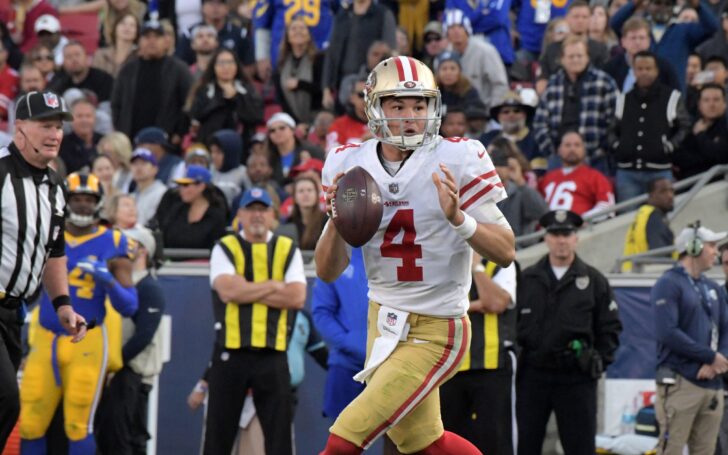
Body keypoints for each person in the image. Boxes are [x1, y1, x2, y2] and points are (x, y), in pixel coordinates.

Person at [315, 56, 515, 454]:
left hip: (437, 327)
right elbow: (327, 270)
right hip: (383, 324)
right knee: (424, 443)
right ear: (374, 108)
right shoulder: (347, 163)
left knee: (345, 436)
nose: (411, 116)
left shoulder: (459, 158)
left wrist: (459, 219)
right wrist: (338, 219)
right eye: (398, 105)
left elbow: (506, 250)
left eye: (419, 105)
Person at [19, 172, 138, 454]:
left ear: (98, 203)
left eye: (89, 199)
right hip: (46, 338)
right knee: (30, 423)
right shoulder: (48, 234)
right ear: (66, 201)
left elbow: (130, 305)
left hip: (88, 342)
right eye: (76, 198)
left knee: (78, 424)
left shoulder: (115, 241)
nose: (83, 205)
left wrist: (107, 280)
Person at [0, 90, 87, 451]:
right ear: (19, 128)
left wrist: (63, 303)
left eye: (58, 127)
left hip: (14, 313)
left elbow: (54, 250)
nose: (54, 134)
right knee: (6, 400)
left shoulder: (56, 187)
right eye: (45, 125)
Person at [204, 187, 306, 455]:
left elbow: (296, 297)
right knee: (218, 436)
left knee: (279, 438)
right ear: (240, 214)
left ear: (273, 215)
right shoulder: (225, 247)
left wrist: (246, 289)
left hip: (272, 354)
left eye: (263, 209)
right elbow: (228, 291)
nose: (257, 216)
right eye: (251, 209)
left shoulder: (287, 248)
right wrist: (273, 285)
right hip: (231, 352)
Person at [517, 209, 622, 454]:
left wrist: (596, 362)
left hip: (576, 376)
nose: (561, 240)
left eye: (567, 234)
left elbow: (610, 328)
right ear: (546, 238)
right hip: (533, 375)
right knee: (525, 444)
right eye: (555, 234)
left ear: (576, 237)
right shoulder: (528, 278)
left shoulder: (594, 281)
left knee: (580, 446)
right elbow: (512, 325)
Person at [652, 223, 728, 454]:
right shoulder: (668, 283)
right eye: (711, 246)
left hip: (711, 384)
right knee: (671, 449)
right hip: (681, 382)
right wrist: (709, 356)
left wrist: (717, 361)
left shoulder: (713, 287)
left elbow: (726, 329)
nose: (716, 252)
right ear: (693, 248)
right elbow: (668, 332)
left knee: (706, 451)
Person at [95, 225, 166, 454]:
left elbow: (143, 336)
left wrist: (115, 362)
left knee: (128, 439)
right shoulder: (121, 285)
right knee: (109, 438)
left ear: (143, 251)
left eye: (127, 244)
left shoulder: (149, 288)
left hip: (130, 374)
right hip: (114, 372)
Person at [440, 248, 518, 455]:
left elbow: (495, 302)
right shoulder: (444, 261)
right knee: (448, 438)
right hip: (450, 365)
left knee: (494, 438)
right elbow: (436, 307)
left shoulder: (501, 263)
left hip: (491, 365)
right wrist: (475, 305)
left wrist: (476, 267)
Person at [607, 50, 689, 202]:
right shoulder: (624, 98)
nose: (644, 73)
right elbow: (611, 128)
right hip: (627, 171)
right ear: (633, 71)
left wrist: (669, 147)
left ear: (656, 70)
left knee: (662, 215)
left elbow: (684, 127)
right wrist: (619, 146)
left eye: (648, 68)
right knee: (626, 219)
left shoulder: (671, 97)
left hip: (659, 170)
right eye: (640, 69)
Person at [533, 35, 619, 174]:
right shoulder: (553, 84)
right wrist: (551, 151)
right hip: (558, 158)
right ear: (562, 59)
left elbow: (615, 121)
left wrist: (602, 149)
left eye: (579, 56)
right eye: (571, 56)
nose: (575, 60)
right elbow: (540, 123)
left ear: (587, 57)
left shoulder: (604, 82)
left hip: (596, 158)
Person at [312, 248, 369, 420]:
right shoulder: (336, 258)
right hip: (347, 365)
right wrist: (351, 342)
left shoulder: (394, 254)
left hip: (393, 363)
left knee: (400, 441)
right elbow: (322, 312)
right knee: (342, 441)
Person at [112, 20, 192, 141]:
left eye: (157, 37)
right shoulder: (127, 70)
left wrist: (179, 132)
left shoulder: (179, 69)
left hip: (166, 141)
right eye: (147, 37)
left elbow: (189, 103)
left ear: (166, 42)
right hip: (132, 138)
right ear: (139, 41)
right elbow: (116, 103)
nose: (152, 41)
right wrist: (121, 130)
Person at [186, 48, 263, 147]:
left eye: (230, 62)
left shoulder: (247, 90)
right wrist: (221, 100)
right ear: (214, 66)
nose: (226, 67)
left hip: (242, 144)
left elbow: (256, 115)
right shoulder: (204, 90)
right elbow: (195, 114)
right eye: (221, 63)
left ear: (236, 66)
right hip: (209, 143)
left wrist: (235, 98)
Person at [538, 130, 615, 217]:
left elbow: (608, 208)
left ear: (584, 150)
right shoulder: (547, 178)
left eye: (577, 145)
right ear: (559, 150)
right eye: (567, 145)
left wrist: (581, 220)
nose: (572, 149)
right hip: (547, 228)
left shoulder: (595, 176)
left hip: (580, 229)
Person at [444, 10, 509, 111]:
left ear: (467, 30)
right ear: (446, 32)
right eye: (451, 28)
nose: (456, 31)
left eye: (460, 27)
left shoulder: (486, 51)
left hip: (484, 110)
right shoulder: (444, 54)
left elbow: (500, 84)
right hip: (454, 112)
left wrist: (493, 111)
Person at [155, 165, 228, 250]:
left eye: (186, 185)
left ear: (201, 186)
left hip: (203, 262)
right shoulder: (177, 210)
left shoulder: (216, 215)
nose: (181, 189)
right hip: (172, 261)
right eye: (180, 185)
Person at [621, 177, 675, 272]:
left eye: (671, 191)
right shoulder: (654, 218)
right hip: (647, 278)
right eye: (663, 192)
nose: (670, 195)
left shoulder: (642, 214)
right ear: (651, 195)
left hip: (632, 274)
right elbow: (660, 259)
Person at [58, 98, 102, 173]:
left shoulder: (103, 141)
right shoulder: (61, 144)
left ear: (94, 119)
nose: (84, 120)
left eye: (88, 116)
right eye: (79, 116)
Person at [91, 12, 139, 78]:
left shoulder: (140, 56)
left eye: (132, 25)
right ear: (115, 28)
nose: (127, 27)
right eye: (123, 23)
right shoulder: (100, 55)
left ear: (137, 32)